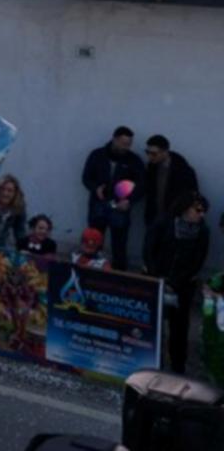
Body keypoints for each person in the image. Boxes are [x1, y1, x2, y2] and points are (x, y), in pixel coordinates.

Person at [144, 192, 211, 373]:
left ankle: (177, 366)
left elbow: (197, 261)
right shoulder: (164, 223)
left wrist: (175, 282)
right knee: (153, 324)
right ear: (185, 208)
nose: (201, 214)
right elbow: (150, 250)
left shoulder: (202, 232)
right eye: (198, 210)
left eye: (203, 211)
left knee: (179, 328)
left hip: (182, 286)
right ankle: (151, 363)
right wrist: (157, 276)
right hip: (157, 281)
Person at [81, 127, 143, 270]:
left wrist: (130, 200)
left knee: (119, 246)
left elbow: (142, 185)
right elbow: (86, 178)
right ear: (114, 139)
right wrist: (95, 188)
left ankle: (118, 278)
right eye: (123, 143)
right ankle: (90, 272)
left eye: (129, 144)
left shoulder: (134, 160)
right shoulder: (97, 155)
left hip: (120, 207)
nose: (125, 147)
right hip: (98, 205)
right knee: (93, 241)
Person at [142, 134, 200, 229]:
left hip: (174, 220)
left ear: (165, 152)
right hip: (154, 218)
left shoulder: (183, 170)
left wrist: (195, 213)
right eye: (147, 152)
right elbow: (145, 187)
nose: (149, 156)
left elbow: (194, 194)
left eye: (153, 153)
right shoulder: (151, 168)